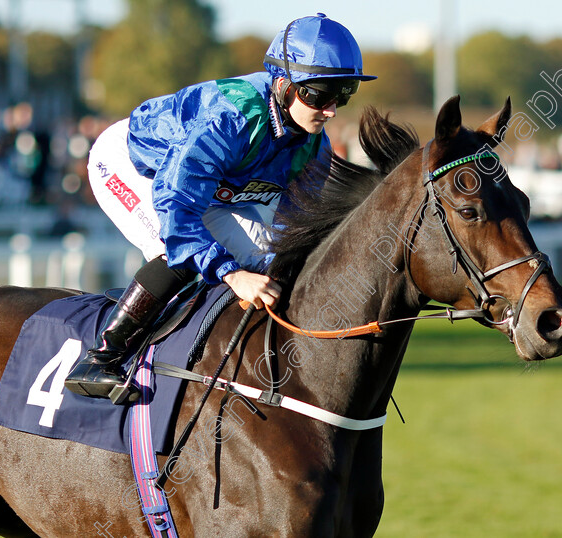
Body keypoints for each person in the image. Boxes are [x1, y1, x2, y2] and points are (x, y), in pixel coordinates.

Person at [64, 13, 376, 401]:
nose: (330, 109)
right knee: (176, 251)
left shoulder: (315, 146)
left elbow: (299, 231)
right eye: (318, 94)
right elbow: (177, 209)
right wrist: (231, 274)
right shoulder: (230, 117)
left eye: (342, 94)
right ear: (283, 83)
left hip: (214, 188)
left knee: (271, 259)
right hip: (135, 167)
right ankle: (101, 359)